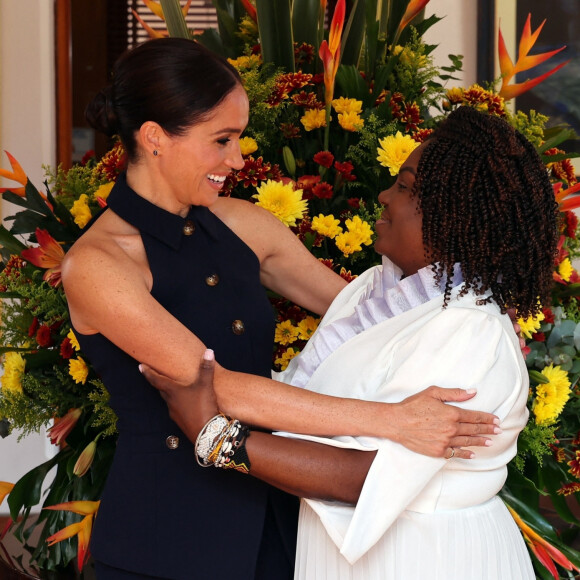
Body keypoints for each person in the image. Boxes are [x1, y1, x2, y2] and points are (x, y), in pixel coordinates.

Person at [62, 37, 498, 580]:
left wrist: (479, 324)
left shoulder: (245, 224)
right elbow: (213, 386)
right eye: (221, 140)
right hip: (167, 538)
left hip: (282, 526)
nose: (238, 160)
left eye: (238, 138)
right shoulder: (97, 265)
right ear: (154, 138)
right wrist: (395, 421)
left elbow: (369, 314)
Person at [143, 105, 558, 579]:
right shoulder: (372, 291)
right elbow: (308, 406)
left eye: (403, 187)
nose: (383, 195)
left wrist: (216, 437)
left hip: (426, 558)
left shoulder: (469, 331)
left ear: (451, 216)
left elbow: (365, 477)